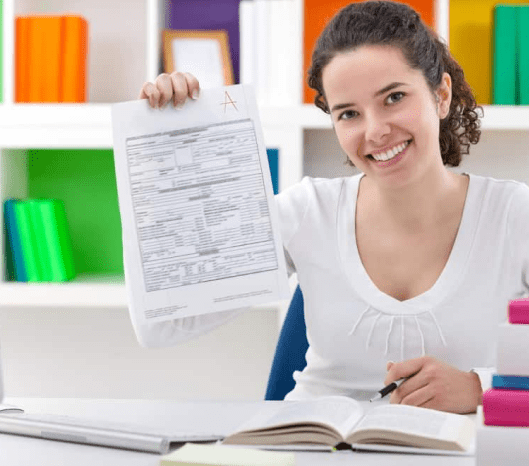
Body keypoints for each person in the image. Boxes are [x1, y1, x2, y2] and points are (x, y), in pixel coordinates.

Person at [136, 0, 529, 414]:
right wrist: (160, 154)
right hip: (311, 454)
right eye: (349, 114)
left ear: (441, 95)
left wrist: (481, 387)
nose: (375, 131)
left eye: (394, 97)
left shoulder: (514, 215)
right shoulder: (307, 212)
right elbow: (160, 325)